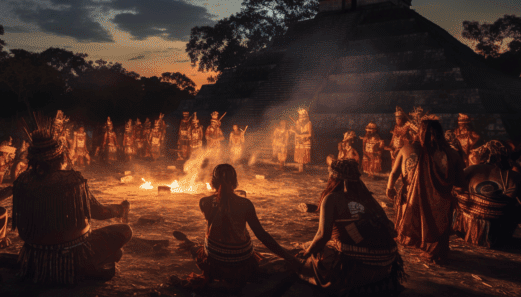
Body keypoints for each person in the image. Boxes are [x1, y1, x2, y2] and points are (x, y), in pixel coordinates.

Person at [13, 127, 132, 284]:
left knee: (116, 254)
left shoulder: (22, 181)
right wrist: (120, 209)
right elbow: (99, 212)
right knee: (125, 232)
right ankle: (83, 269)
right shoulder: (72, 181)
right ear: (61, 156)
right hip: (73, 254)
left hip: (35, 257)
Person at [171, 164, 300, 292]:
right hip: (242, 265)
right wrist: (290, 258)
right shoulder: (245, 204)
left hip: (214, 263)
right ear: (235, 182)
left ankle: (189, 244)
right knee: (265, 258)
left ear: (213, 183)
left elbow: (221, 212)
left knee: (198, 248)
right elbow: (262, 235)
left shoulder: (204, 202)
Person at [297, 159, 405, 295]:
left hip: (358, 269)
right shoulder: (368, 198)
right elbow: (390, 228)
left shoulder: (331, 198)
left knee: (313, 256)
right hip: (386, 267)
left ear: (333, 177)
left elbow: (322, 236)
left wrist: (306, 253)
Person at [387, 119, 464, 264]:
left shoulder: (407, 150)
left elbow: (394, 174)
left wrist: (389, 188)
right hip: (442, 203)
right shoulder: (452, 154)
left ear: (419, 133)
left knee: (418, 220)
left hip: (413, 198)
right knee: (439, 226)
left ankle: (423, 246)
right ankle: (436, 253)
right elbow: (461, 183)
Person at [452, 140, 521, 248]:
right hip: (498, 235)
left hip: (469, 230)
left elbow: (455, 187)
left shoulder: (471, 169)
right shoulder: (514, 176)